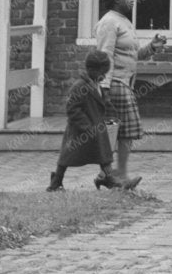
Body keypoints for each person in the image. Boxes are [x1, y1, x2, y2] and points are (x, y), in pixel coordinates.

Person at [92, 0, 163, 189]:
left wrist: (151, 48)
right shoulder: (108, 22)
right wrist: (104, 87)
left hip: (125, 83)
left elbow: (132, 55)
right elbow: (105, 55)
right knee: (117, 131)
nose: (133, 0)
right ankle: (115, 175)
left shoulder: (124, 21)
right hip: (114, 83)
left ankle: (110, 174)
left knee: (124, 131)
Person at [48, 49, 133, 190]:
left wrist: (113, 115)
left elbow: (104, 103)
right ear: (92, 70)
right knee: (67, 157)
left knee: (104, 154)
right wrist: (86, 126)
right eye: (102, 73)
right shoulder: (80, 86)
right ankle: (56, 181)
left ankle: (109, 178)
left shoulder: (96, 85)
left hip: (96, 129)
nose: (104, 76)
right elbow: (72, 108)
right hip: (79, 130)